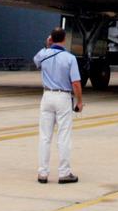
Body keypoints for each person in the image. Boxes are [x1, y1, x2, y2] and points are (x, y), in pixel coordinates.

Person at [33, 27, 83, 184]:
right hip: (63, 96)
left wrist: (47, 45)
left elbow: (36, 60)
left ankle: (42, 173)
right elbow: (75, 83)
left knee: (45, 136)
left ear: (51, 39)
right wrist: (79, 101)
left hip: (47, 95)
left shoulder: (43, 55)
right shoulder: (69, 58)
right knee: (64, 136)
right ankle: (64, 172)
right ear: (64, 39)